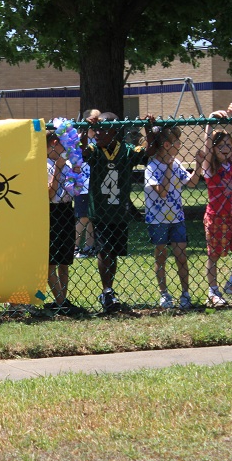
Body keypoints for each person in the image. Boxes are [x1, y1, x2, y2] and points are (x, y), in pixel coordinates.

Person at [83, 111, 155, 313]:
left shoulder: (126, 150)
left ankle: (109, 289)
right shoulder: (95, 150)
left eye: (102, 129)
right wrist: (84, 128)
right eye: (96, 129)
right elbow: (82, 150)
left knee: (113, 252)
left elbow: (150, 150)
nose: (97, 133)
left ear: (114, 131)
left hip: (119, 211)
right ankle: (106, 290)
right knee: (104, 250)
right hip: (101, 211)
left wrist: (148, 127)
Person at [143, 126, 201, 309]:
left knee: (181, 256)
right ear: (167, 145)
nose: (180, 145)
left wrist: (199, 165)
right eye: (177, 142)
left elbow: (192, 182)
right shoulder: (152, 167)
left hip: (177, 218)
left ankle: (185, 293)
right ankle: (164, 293)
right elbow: (163, 192)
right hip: (158, 220)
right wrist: (168, 167)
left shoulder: (176, 163)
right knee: (161, 256)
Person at [200, 104, 232, 306]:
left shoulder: (230, 163)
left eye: (228, 144)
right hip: (216, 217)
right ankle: (213, 291)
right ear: (214, 148)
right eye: (220, 145)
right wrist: (211, 120)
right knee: (214, 256)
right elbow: (206, 146)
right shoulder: (210, 167)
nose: (226, 148)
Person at [45, 131, 87, 316]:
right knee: (51, 262)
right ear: (55, 143)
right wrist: (58, 169)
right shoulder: (45, 164)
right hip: (51, 212)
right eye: (65, 145)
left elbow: (76, 190)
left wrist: (76, 173)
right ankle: (61, 301)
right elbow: (49, 194)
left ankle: (61, 300)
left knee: (64, 260)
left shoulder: (67, 163)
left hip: (66, 210)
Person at [74, 109, 98, 258]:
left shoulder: (99, 140)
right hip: (82, 184)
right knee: (83, 217)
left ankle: (89, 247)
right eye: (94, 119)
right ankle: (74, 247)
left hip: (94, 185)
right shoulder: (78, 139)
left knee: (90, 217)